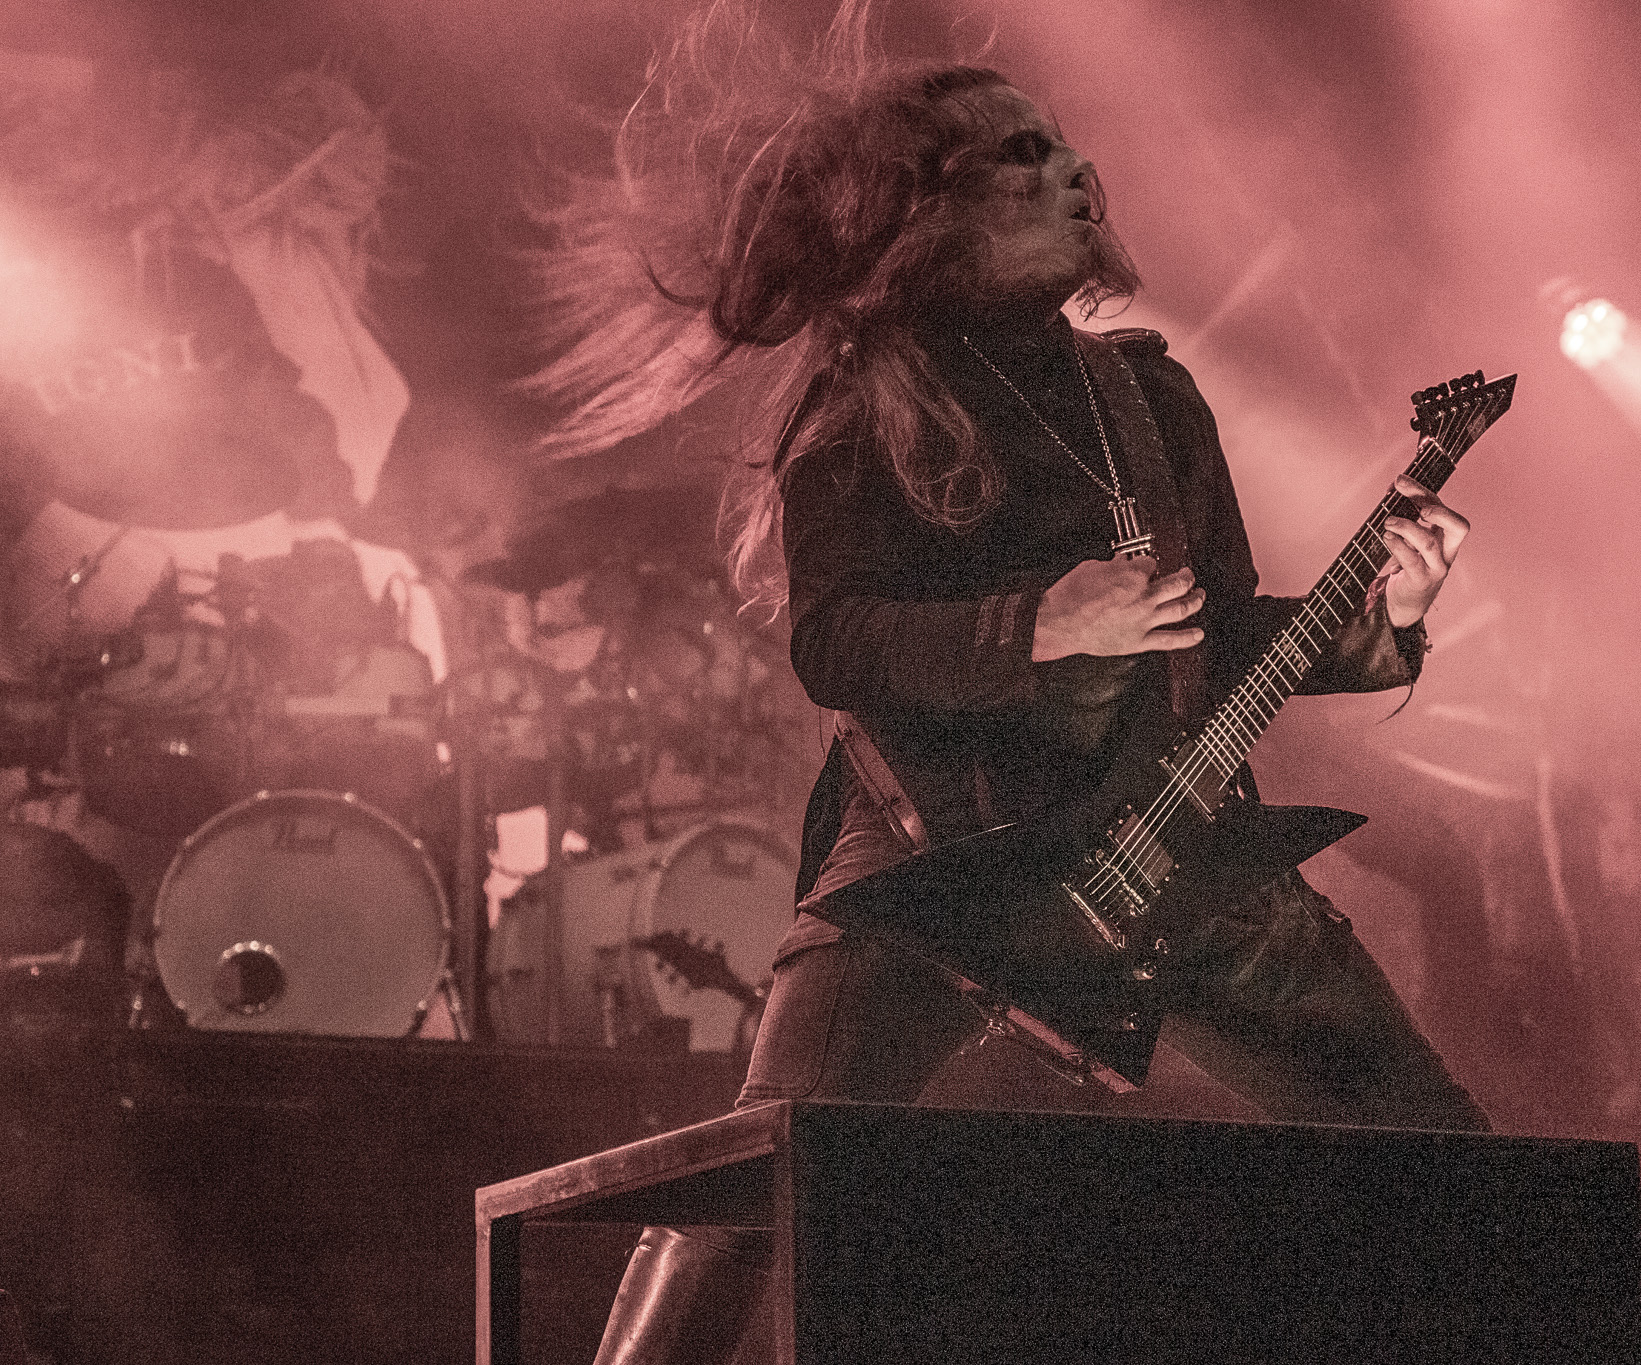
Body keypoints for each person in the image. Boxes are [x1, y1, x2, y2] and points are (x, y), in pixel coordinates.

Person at [525, 15, 1488, 1361]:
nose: (1073, 169)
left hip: (1170, 850)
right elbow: (837, 642)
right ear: (926, 208)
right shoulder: (867, 403)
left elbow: (1217, 641)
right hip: (944, 856)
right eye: (1021, 153)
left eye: (1068, 144)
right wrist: (1036, 625)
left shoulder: (1152, 399)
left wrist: (1385, 622)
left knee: (1445, 1159)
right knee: (764, 1164)